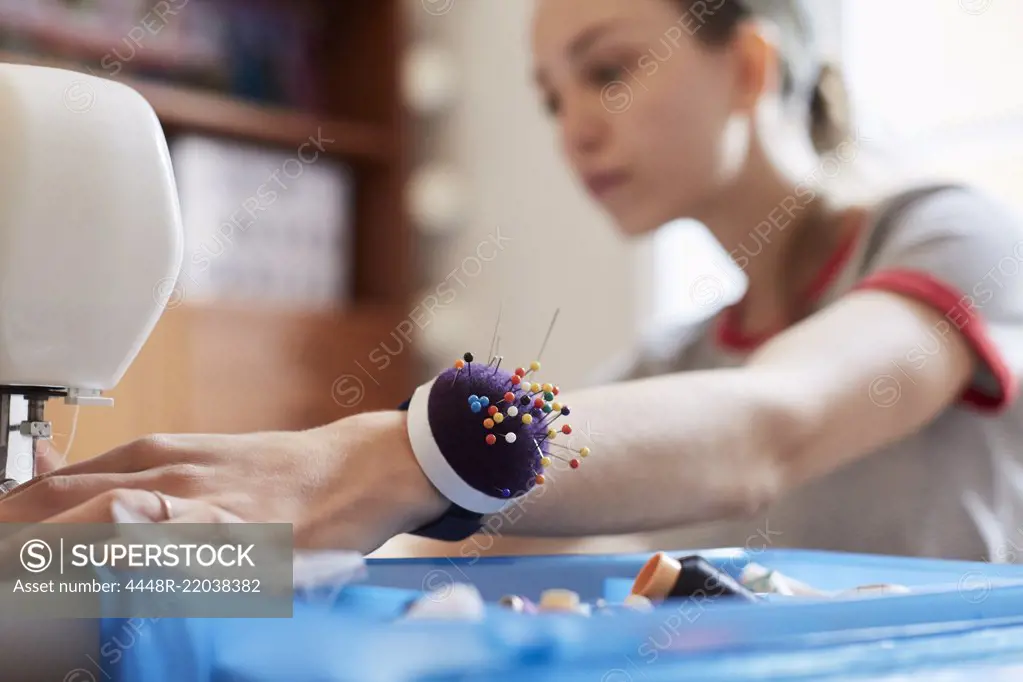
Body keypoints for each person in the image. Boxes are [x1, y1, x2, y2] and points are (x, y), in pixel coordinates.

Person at [3, 0, 1023, 563]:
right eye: (548, 96)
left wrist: (393, 450)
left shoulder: (952, 235)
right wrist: (198, 555)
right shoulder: (680, 359)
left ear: (751, 66)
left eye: (609, 68)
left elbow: (771, 426)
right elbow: (461, 549)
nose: (573, 126)